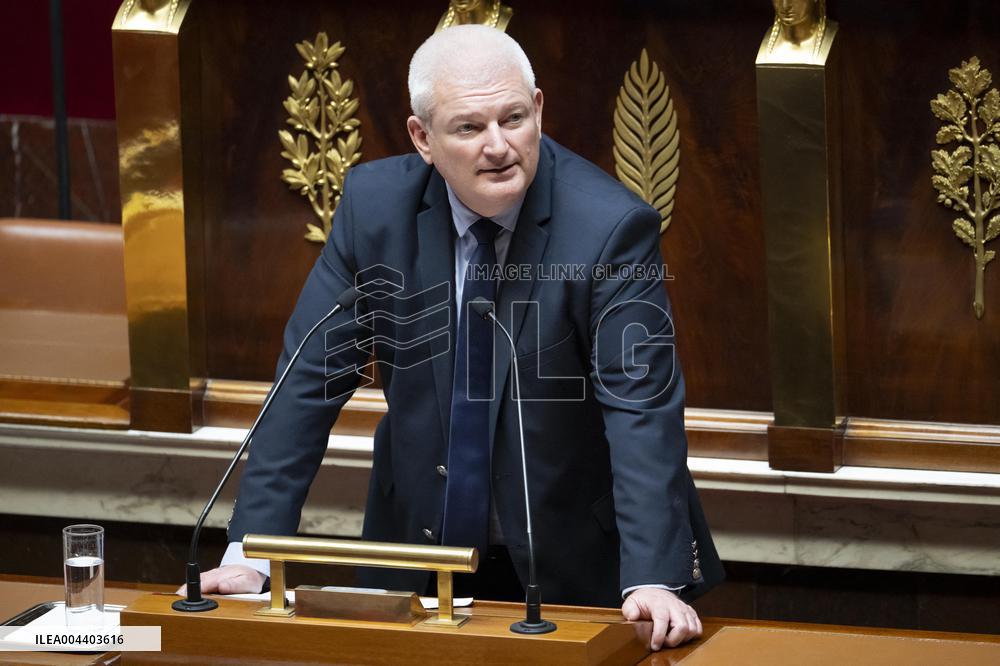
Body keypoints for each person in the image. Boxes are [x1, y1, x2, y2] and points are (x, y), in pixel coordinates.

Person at [192, 24, 723, 650]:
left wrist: (654, 577)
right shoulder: (375, 209)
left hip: (575, 562)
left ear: (539, 109)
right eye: (470, 128)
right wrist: (249, 550)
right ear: (423, 138)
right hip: (416, 552)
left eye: (515, 118)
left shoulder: (611, 229)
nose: (499, 146)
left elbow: (642, 407)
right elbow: (308, 379)